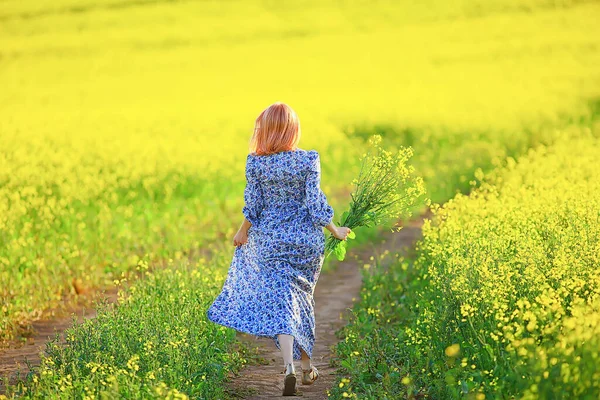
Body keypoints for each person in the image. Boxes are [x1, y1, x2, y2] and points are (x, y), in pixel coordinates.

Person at [207, 102, 351, 396]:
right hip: (305, 243)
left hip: (270, 241)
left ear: (266, 130)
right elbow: (314, 203)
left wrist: (241, 231)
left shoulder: (256, 163)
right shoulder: (309, 159)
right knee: (302, 298)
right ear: (292, 130)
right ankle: (309, 366)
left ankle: (289, 366)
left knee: (282, 302)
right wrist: (335, 230)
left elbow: (254, 206)